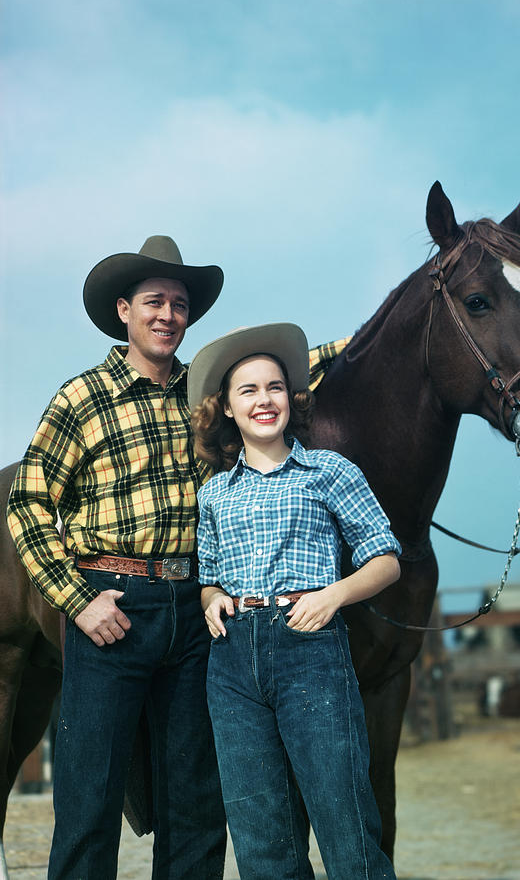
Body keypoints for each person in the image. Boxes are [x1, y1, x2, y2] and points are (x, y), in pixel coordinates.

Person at [6, 236, 228, 879]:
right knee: (89, 797)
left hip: (193, 609)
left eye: (180, 304)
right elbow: (27, 503)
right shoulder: (83, 399)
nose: (168, 315)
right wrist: (77, 600)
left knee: (195, 799)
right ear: (125, 310)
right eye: (154, 301)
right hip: (114, 605)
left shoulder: (207, 397)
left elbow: (289, 376)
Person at [188, 323, 401, 880]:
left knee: (345, 827)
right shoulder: (213, 493)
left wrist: (333, 596)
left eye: (275, 387)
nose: (265, 400)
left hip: (310, 651)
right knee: (261, 842)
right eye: (248, 391)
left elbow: (385, 559)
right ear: (227, 409)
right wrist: (211, 599)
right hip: (232, 663)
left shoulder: (329, 471)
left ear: (292, 398)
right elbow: (208, 575)